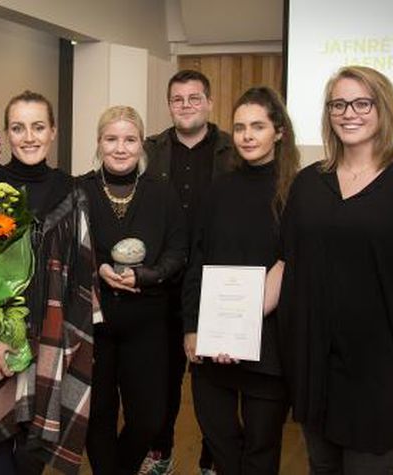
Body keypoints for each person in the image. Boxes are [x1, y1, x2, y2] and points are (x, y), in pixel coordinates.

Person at [277, 65, 393, 474]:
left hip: (382, 374)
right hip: (314, 370)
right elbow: (287, 265)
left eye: (362, 103)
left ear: (383, 110)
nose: (350, 113)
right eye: (338, 104)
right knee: (321, 468)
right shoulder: (308, 184)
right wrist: (226, 321)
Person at [0, 90, 99, 475]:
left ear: (52, 132)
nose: (28, 137)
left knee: (32, 453)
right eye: (18, 128)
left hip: (49, 342)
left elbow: (83, 273)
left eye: (37, 127)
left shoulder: (72, 190)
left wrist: (67, 345)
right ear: (6, 134)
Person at [182, 86, 299, 474]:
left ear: (278, 132)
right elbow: (197, 260)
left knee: (260, 453)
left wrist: (242, 325)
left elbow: (294, 268)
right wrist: (192, 328)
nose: (247, 136)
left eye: (258, 126)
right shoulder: (218, 189)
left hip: (269, 350)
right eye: (240, 127)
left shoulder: (296, 192)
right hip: (212, 343)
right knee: (222, 447)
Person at [81, 106, 188, 474]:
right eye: (111, 139)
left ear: (141, 144)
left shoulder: (162, 192)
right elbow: (68, 252)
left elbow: (178, 250)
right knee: (98, 416)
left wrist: (147, 275)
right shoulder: (80, 190)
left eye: (129, 139)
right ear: (99, 143)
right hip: (93, 325)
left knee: (150, 418)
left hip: (148, 322)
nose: (121, 148)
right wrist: (99, 269)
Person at [141, 69, 235, 474]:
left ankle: (212, 461)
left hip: (215, 283)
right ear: (169, 105)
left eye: (194, 98)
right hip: (162, 282)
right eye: (177, 99)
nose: (185, 106)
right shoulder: (151, 149)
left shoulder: (232, 150)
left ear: (209, 103)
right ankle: (160, 452)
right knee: (160, 380)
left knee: (214, 385)